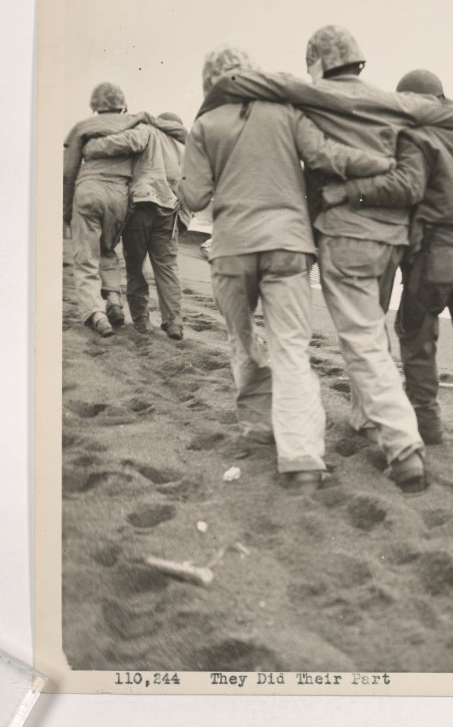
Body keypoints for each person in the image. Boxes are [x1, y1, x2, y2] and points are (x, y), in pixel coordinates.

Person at [197, 26, 453, 492]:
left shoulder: (310, 93)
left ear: (318, 63)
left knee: (353, 340)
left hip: (338, 236)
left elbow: (252, 94)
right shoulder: (386, 101)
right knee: (368, 332)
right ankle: (365, 425)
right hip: (390, 238)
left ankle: (400, 445)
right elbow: (447, 113)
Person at [179, 45, 396, 487]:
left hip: (232, 247)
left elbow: (194, 197)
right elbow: (326, 157)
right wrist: (379, 165)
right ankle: (301, 457)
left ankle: (260, 427)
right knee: (292, 349)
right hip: (289, 246)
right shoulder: (286, 113)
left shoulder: (204, 124)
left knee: (241, 340)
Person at [346, 69, 453, 482]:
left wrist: (352, 193)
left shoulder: (417, 139)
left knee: (415, 333)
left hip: (441, 259)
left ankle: (427, 425)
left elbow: (406, 191)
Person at [81, 113, 190, 338]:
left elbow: (130, 143)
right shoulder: (183, 146)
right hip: (169, 211)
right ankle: (174, 324)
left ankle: (141, 322)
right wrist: (183, 220)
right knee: (167, 269)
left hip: (141, 205)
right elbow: (191, 186)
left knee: (136, 268)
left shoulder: (149, 131)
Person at [63, 83, 145, 336]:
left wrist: (66, 211)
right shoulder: (136, 125)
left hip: (89, 189)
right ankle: (113, 300)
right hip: (120, 194)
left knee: (86, 256)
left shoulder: (82, 128)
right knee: (107, 248)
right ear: (122, 103)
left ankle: (95, 314)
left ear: (94, 104)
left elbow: (69, 174)